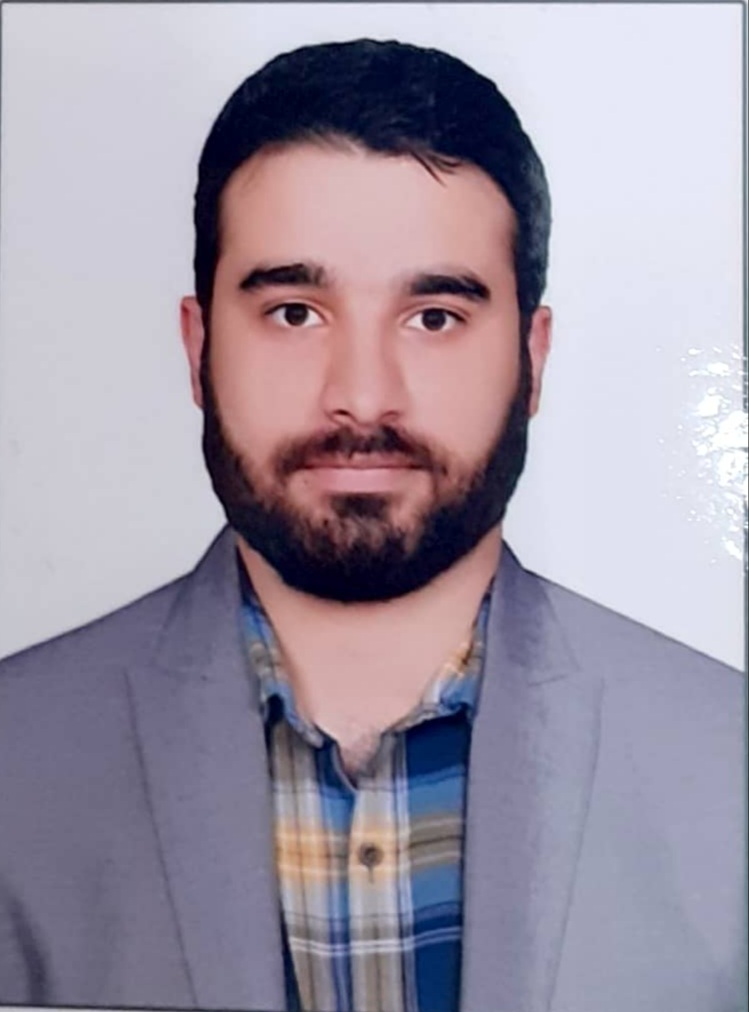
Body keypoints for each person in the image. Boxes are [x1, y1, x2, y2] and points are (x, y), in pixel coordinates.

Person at [0, 38, 742, 1012]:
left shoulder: (727, 764)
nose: (360, 395)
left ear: (531, 360)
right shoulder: (16, 759)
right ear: (197, 347)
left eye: (432, 316)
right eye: (294, 312)